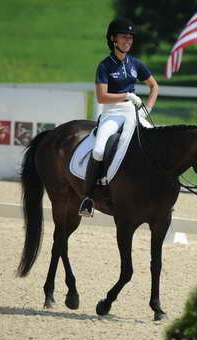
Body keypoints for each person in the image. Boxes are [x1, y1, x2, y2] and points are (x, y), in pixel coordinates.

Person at [78, 18, 159, 217]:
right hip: (112, 114)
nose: (128, 41)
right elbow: (101, 97)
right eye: (124, 37)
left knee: (155, 144)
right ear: (113, 39)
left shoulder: (136, 64)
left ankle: (156, 192)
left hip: (133, 113)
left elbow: (154, 87)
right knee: (98, 150)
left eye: (130, 37)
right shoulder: (105, 66)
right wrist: (127, 95)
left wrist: (147, 109)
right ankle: (88, 198)